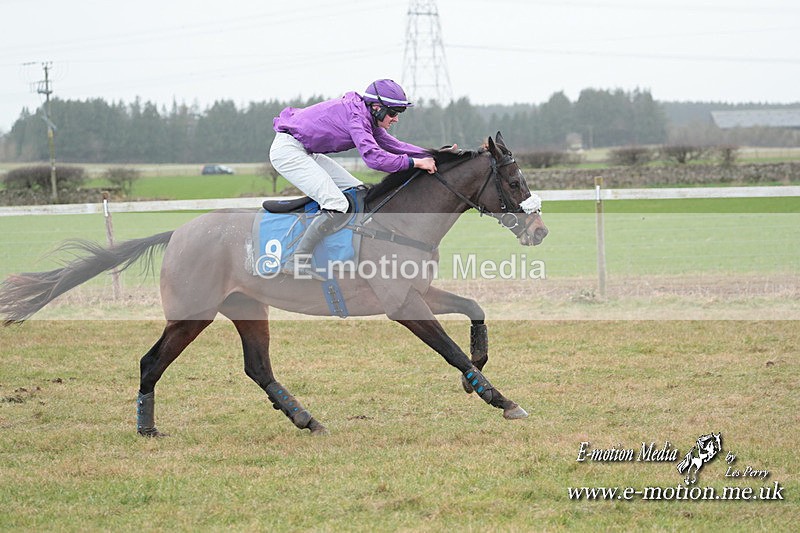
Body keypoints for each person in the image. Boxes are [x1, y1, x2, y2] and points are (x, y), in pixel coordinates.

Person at [270, 78, 443, 280]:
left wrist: (434, 154)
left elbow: (393, 144)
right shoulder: (357, 118)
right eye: (394, 112)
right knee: (336, 203)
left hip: (307, 151)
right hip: (288, 151)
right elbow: (374, 158)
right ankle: (297, 260)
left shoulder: (365, 114)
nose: (396, 119)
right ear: (377, 107)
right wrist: (415, 163)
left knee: (359, 193)